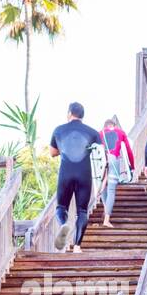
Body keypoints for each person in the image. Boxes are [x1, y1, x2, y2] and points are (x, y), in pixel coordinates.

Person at [48, 102, 104, 253]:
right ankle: (77, 246)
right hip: (84, 173)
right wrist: (102, 182)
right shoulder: (93, 133)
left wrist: (67, 149)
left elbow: (52, 153)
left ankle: (64, 224)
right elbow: (102, 156)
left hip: (66, 172)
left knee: (61, 207)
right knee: (82, 211)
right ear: (82, 116)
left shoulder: (58, 130)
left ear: (69, 113)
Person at [99, 116, 135, 227]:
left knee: (103, 189)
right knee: (111, 190)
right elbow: (128, 149)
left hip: (101, 161)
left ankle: (106, 213)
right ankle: (106, 220)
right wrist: (132, 166)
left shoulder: (99, 133)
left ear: (105, 126)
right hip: (114, 160)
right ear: (114, 126)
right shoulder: (121, 133)